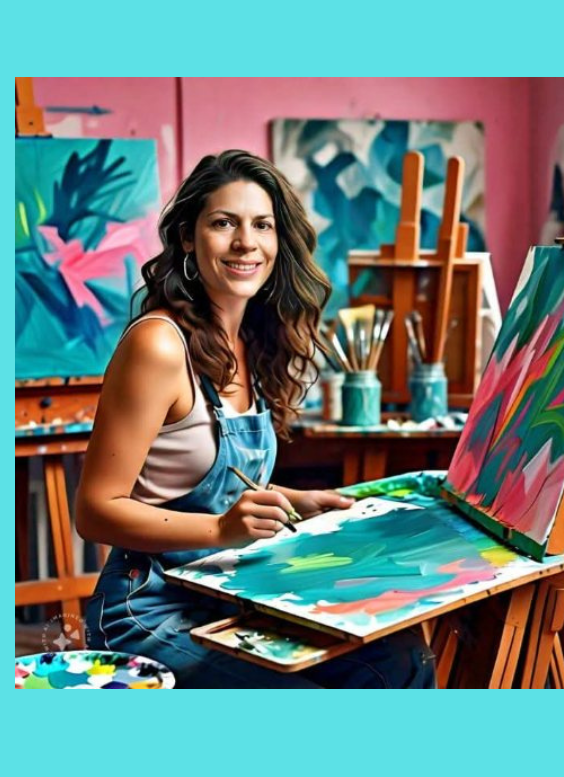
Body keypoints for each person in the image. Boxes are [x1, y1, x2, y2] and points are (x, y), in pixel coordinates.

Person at [75, 150, 434, 688]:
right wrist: (223, 530)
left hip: (228, 590)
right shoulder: (159, 345)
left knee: (398, 658)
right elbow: (95, 511)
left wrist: (292, 501)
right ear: (188, 238)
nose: (247, 242)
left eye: (262, 225)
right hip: (149, 608)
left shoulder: (254, 340)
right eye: (224, 223)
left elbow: (206, 484)